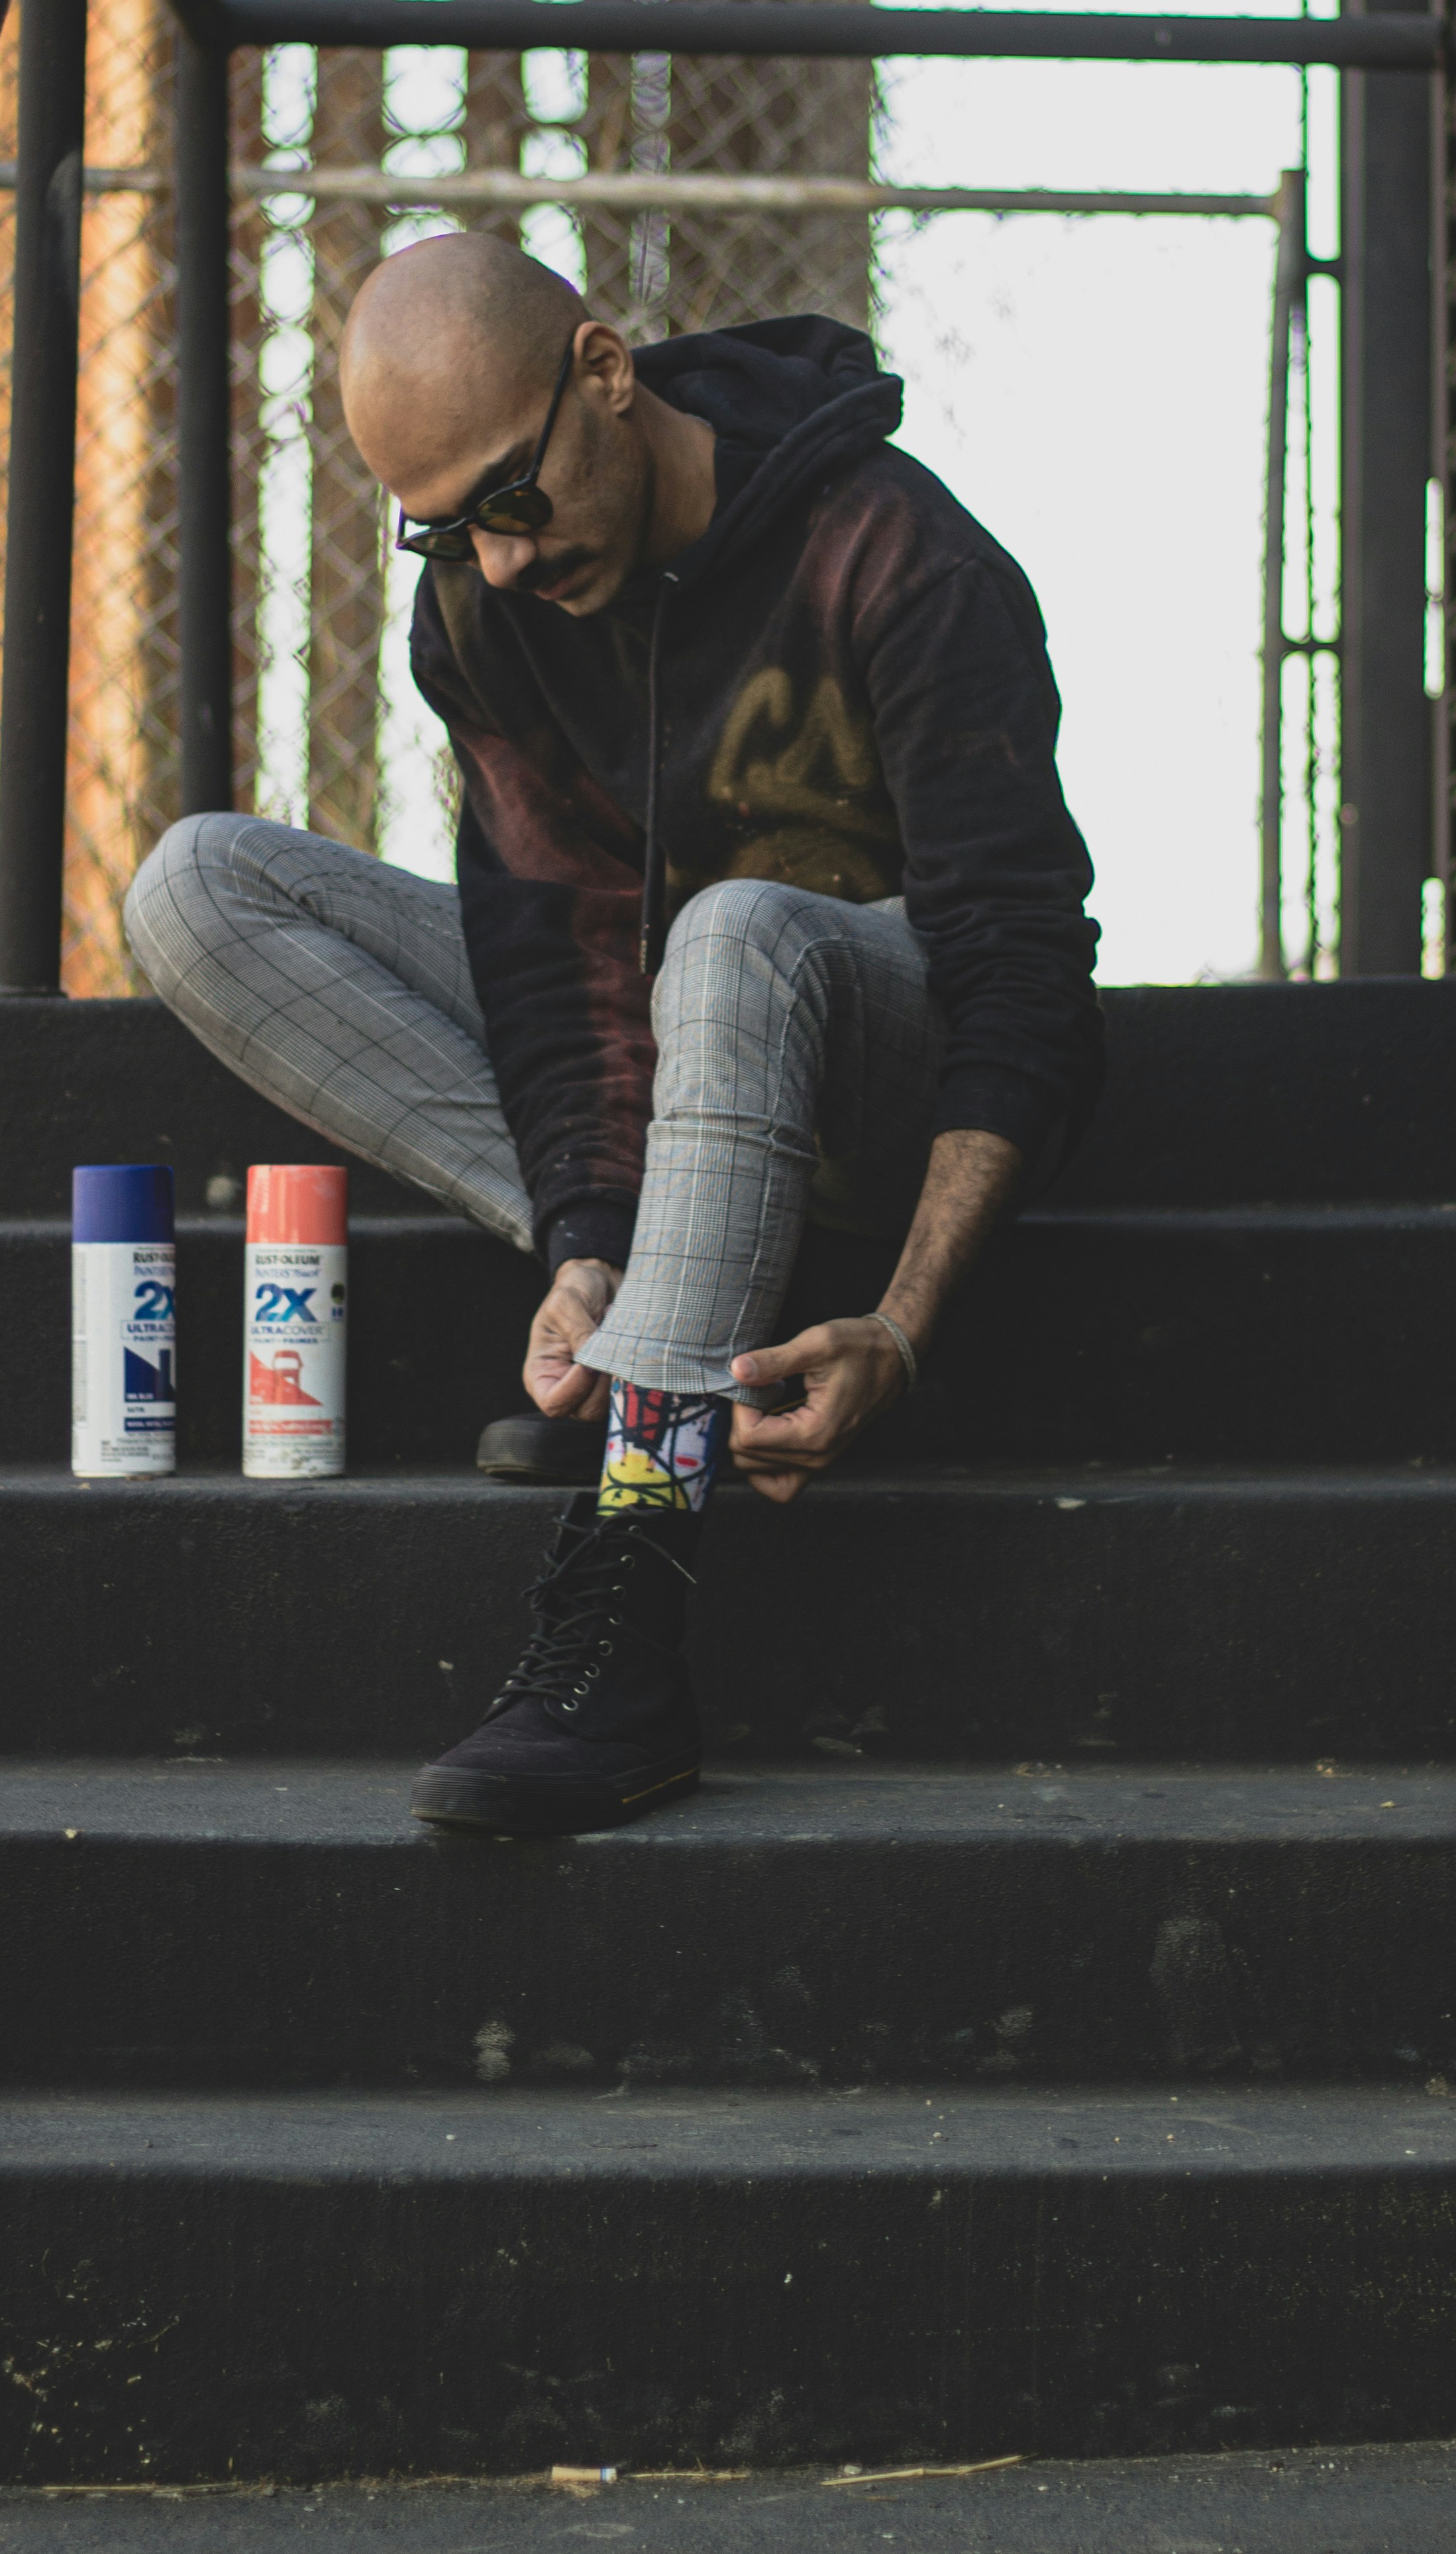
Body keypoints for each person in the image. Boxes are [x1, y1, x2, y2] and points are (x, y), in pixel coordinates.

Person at [125, 233, 1101, 1836]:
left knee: (736, 927)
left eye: (511, 499)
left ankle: (631, 1605)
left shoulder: (898, 556)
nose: (497, 560)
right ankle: (658, 1287)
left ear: (602, 371)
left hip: (878, 1065)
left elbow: (1021, 975)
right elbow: (552, 931)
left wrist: (906, 1325)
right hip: (675, 1086)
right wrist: (584, 1232)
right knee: (199, 887)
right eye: (442, 529)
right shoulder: (487, 610)